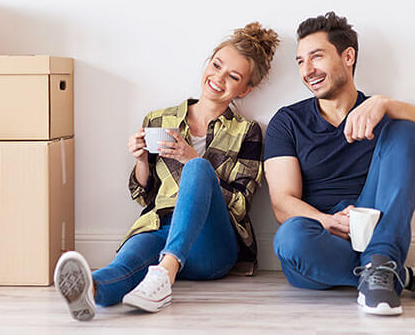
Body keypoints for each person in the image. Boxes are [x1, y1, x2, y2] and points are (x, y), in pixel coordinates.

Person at [54, 22, 279, 321]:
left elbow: (240, 204)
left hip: (211, 245)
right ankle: (91, 292)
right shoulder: (160, 119)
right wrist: (141, 160)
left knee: (198, 167)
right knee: (125, 264)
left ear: (245, 89)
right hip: (160, 226)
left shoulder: (247, 132)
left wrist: (191, 159)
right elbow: (143, 195)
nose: (218, 78)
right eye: (216, 65)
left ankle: (165, 272)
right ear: (208, 62)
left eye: (233, 76)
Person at [264, 12, 415, 316]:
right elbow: (282, 203)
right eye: (300, 61)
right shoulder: (287, 122)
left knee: (406, 127)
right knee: (290, 238)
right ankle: (406, 277)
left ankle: (380, 261)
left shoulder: (379, 114)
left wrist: (386, 104)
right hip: (322, 237)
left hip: (375, 226)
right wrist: (327, 220)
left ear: (347, 56)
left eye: (316, 57)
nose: (307, 70)